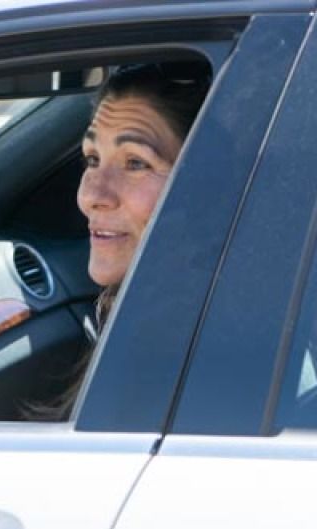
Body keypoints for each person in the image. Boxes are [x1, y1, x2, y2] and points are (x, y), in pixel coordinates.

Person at [32, 62, 210, 420]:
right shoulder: (172, 313)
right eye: (93, 159)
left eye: (135, 164)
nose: (92, 195)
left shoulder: (170, 352)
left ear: (202, 187)